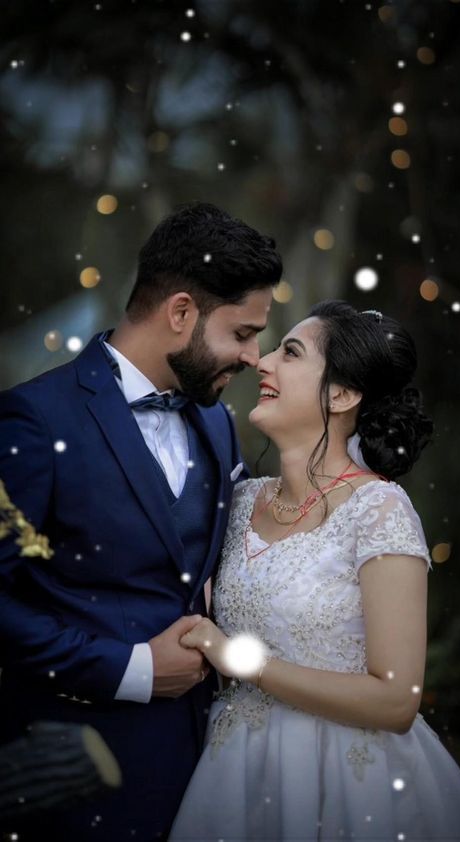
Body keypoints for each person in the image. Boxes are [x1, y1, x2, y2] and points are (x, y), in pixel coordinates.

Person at [0, 202, 282, 841]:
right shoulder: (35, 422)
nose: (254, 355)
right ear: (180, 312)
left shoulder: (216, 422)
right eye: (242, 333)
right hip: (80, 772)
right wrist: (132, 668)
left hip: (209, 770)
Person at [170, 300, 460, 841]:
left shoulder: (379, 510)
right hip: (235, 774)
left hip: (347, 782)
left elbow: (397, 699)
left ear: (342, 394)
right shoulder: (239, 500)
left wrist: (241, 660)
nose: (262, 363)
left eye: (290, 353)